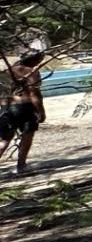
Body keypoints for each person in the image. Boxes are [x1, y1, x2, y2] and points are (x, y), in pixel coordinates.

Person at [2, 44, 48, 177]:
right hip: (24, 107)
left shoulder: (7, 71)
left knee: (4, 139)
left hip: (7, 107)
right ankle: (21, 166)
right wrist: (41, 112)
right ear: (34, 60)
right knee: (27, 135)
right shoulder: (31, 72)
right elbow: (34, 94)